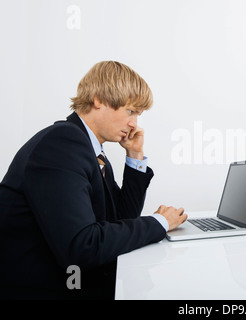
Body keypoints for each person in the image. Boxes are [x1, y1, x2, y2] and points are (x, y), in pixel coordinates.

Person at [0, 61, 187, 299]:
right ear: (98, 99)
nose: (134, 124)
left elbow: (121, 218)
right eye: (130, 111)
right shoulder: (62, 143)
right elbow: (82, 246)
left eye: (138, 115)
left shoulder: (90, 149)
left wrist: (134, 156)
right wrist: (159, 222)